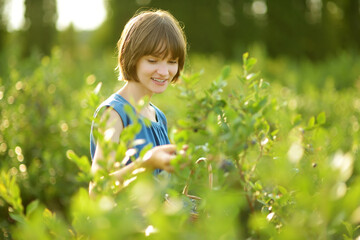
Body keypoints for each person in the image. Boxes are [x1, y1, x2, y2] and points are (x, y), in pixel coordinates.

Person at [89, 9, 187, 195]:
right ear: (132, 58)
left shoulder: (158, 117)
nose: (164, 71)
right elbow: (97, 190)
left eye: (172, 62)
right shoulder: (114, 113)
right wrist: (145, 164)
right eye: (153, 60)